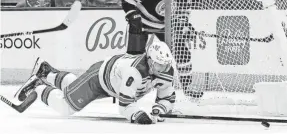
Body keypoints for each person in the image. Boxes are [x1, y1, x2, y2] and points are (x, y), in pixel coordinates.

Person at [14, 41, 175, 125]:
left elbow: (167, 98)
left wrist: (157, 111)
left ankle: (46, 72)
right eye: (160, 64)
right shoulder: (135, 72)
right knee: (66, 107)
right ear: (150, 61)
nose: (164, 68)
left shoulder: (167, 70)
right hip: (98, 79)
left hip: (114, 83)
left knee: (74, 86)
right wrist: (137, 115)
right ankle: (38, 86)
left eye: (166, 64)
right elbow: (125, 106)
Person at [121, 0, 203, 98]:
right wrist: (133, 17)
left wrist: (183, 24)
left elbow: (183, 11)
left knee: (182, 51)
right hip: (143, 22)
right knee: (134, 58)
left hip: (163, 25)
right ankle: (128, 88)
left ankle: (188, 87)